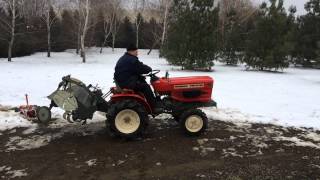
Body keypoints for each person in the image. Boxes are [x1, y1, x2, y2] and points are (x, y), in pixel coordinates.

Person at [114, 44, 161, 113]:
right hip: (127, 83)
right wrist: (149, 69)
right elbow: (141, 68)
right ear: (132, 51)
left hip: (123, 80)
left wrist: (140, 76)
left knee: (143, 81)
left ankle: (154, 102)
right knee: (146, 87)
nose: (137, 53)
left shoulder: (125, 58)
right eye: (136, 51)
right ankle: (154, 107)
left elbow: (133, 70)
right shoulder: (132, 60)